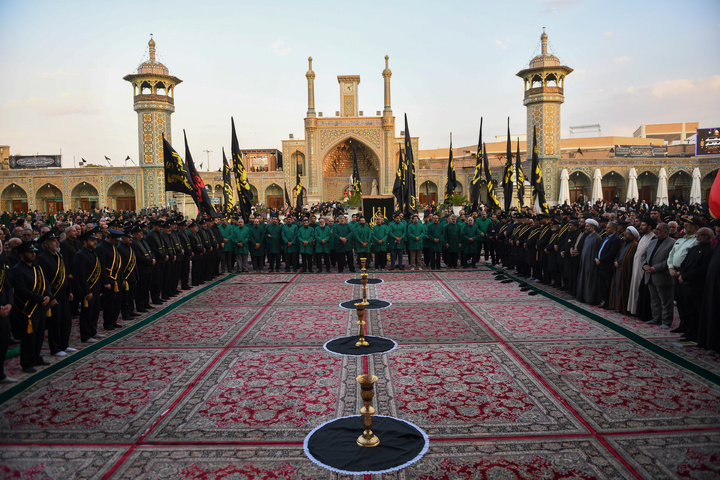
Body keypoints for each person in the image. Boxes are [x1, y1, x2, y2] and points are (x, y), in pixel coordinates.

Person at [8, 241, 51, 373]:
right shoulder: (17, 270)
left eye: (34, 252)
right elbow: (22, 290)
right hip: (27, 308)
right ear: (21, 255)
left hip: (40, 306)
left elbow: (45, 283)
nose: (33, 254)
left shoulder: (36, 268)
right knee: (28, 338)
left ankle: (37, 357)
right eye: (30, 252)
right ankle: (27, 363)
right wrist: (40, 298)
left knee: (39, 335)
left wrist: (48, 295)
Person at [35, 231, 73, 357]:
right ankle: (55, 348)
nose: (57, 242)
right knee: (55, 322)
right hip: (53, 295)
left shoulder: (58, 256)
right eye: (53, 241)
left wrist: (69, 291)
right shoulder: (42, 258)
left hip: (63, 293)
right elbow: (43, 280)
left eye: (57, 240)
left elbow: (64, 275)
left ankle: (64, 344)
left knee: (66, 320)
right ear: (46, 245)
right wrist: (50, 297)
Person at [677, 227, 714, 341]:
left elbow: (702, 270)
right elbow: (684, 263)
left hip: (697, 286)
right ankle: (688, 330)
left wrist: (686, 277)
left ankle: (695, 333)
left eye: (701, 235)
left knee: (695, 311)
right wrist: (682, 275)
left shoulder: (709, 250)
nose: (698, 236)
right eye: (697, 234)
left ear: (708, 237)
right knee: (686, 309)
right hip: (686, 284)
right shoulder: (694, 249)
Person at [641, 223, 676, 329]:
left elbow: (669, 260)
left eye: (658, 230)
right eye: (655, 229)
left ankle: (666, 321)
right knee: (654, 299)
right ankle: (656, 318)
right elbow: (644, 255)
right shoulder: (653, 241)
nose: (655, 231)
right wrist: (644, 265)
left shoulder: (672, 243)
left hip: (662, 276)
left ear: (666, 231)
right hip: (650, 275)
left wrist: (656, 268)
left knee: (665, 300)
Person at [627, 217, 656, 317]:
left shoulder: (653, 238)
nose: (641, 227)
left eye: (643, 225)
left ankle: (639, 311)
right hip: (636, 267)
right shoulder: (643, 237)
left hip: (643, 268)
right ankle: (633, 309)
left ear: (650, 227)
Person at [609, 226, 638, 314]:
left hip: (624, 269)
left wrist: (619, 263)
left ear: (633, 236)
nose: (625, 235)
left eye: (628, 234)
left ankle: (621, 307)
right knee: (616, 287)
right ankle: (615, 305)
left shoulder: (634, 245)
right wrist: (616, 261)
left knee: (622, 288)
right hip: (618, 268)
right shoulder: (623, 244)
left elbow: (628, 258)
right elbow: (619, 254)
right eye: (626, 233)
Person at [595, 221, 622, 308]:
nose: (606, 229)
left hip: (607, 266)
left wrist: (601, 260)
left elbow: (611, 253)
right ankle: (604, 300)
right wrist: (596, 258)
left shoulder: (616, 239)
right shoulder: (605, 238)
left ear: (614, 229)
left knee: (608, 285)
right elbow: (599, 249)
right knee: (602, 285)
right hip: (600, 265)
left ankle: (608, 302)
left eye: (608, 227)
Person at [576, 218, 602, 305]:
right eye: (586, 226)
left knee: (590, 281)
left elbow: (596, 252)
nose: (586, 228)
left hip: (591, 264)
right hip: (584, 262)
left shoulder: (597, 238)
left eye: (588, 226)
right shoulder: (587, 237)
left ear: (593, 227)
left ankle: (590, 298)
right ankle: (583, 297)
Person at [0, 237, 14, 383]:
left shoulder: (3, 264)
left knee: (3, 342)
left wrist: (9, 304)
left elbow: (8, 286)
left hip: (5, 309)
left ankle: (1, 374)